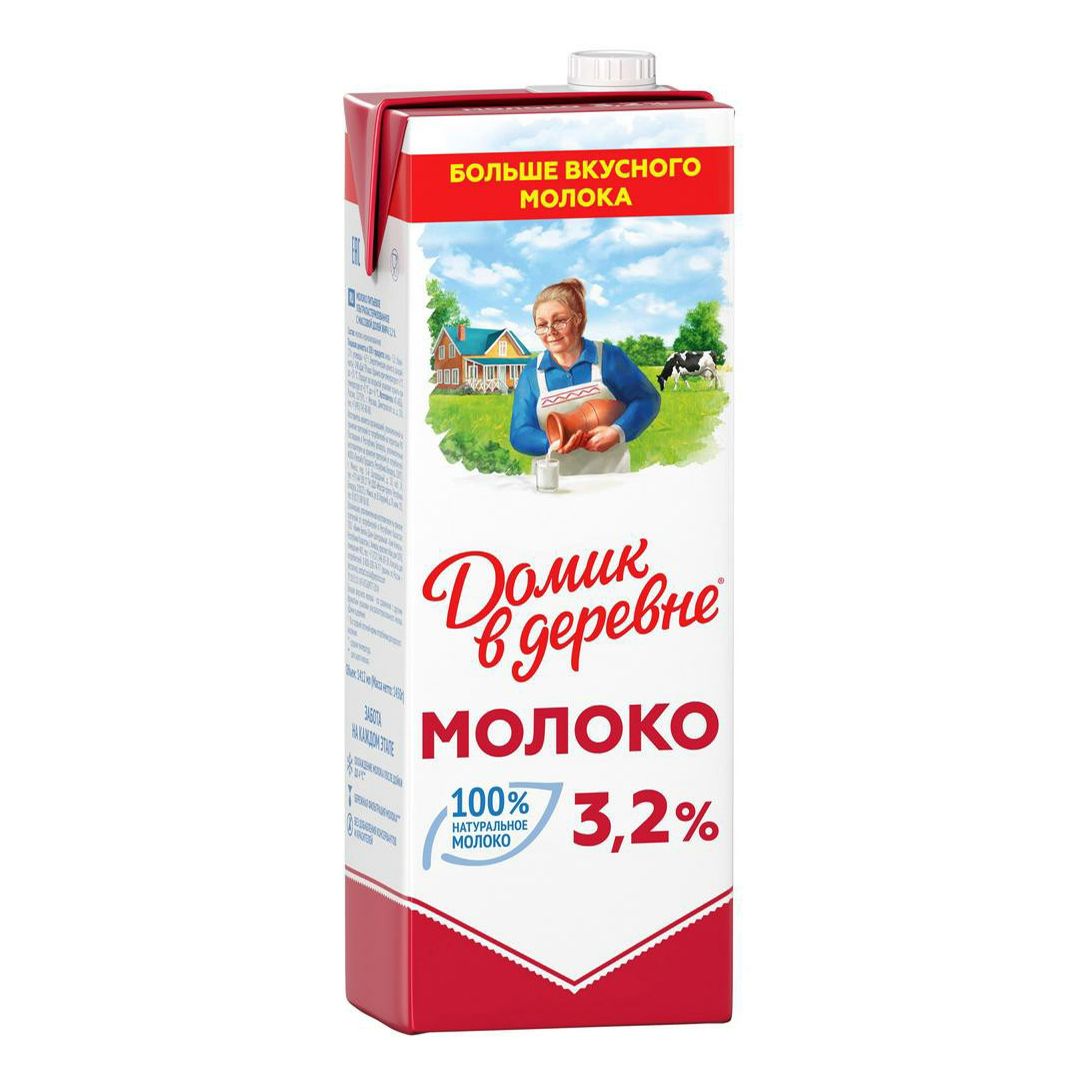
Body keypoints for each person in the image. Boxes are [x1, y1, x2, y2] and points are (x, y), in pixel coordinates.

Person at [509, 278, 661, 475]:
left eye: (559, 321)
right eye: (542, 325)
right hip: (555, 482)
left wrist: (617, 432)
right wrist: (555, 441)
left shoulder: (608, 357)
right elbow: (519, 432)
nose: (550, 331)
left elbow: (647, 399)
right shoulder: (532, 373)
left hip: (611, 479)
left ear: (578, 319)